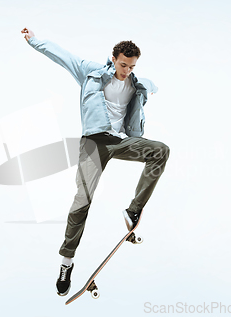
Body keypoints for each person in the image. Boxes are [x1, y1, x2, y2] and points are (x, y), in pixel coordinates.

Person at [21, 27, 170, 296]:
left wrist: (150, 86)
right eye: (123, 65)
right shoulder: (90, 72)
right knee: (83, 200)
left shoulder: (135, 84)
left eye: (131, 66)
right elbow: (61, 56)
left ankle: (133, 210)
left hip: (120, 143)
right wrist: (34, 40)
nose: (126, 71)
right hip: (93, 144)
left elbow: (150, 85)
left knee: (160, 151)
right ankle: (67, 262)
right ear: (113, 59)